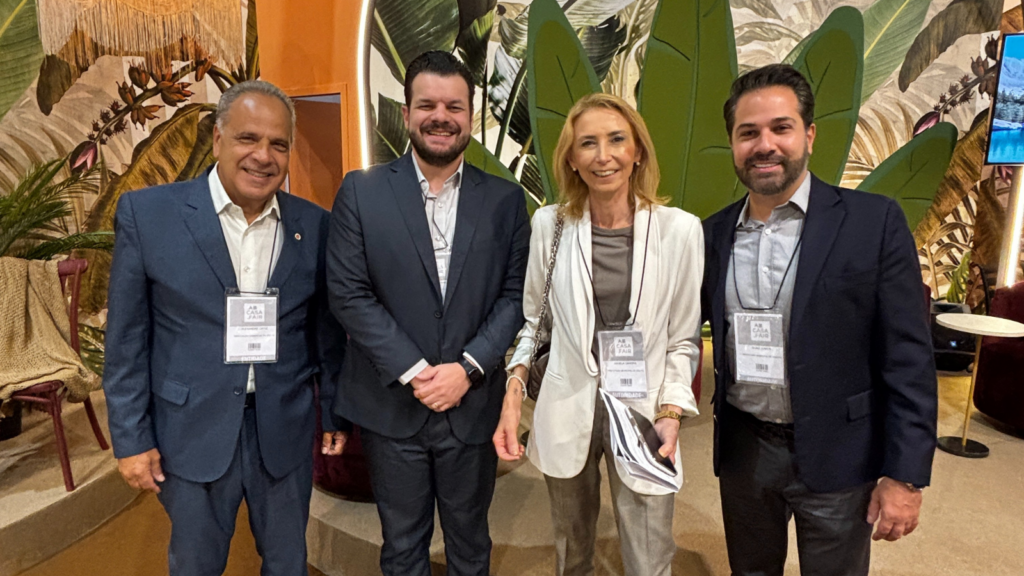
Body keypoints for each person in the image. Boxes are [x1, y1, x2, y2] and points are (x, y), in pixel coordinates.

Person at [700, 64, 937, 576]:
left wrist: (905, 475)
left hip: (840, 454)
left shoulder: (873, 222)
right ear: (733, 144)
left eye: (780, 128)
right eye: (748, 132)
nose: (765, 145)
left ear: (808, 135)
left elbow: (909, 361)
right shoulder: (711, 235)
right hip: (745, 451)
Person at [104, 80, 347, 576]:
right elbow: (126, 342)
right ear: (218, 139)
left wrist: (334, 412)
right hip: (191, 427)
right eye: (248, 138)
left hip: (283, 427)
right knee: (196, 564)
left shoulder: (315, 225)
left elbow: (323, 331)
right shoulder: (149, 215)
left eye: (278, 144)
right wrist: (131, 439)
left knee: (288, 562)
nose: (263, 156)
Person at [326, 51, 530, 576]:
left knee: (471, 542)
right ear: (407, 112)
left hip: (471, 402)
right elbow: (348, 293)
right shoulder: (361, 191)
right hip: (392, 404)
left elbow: (515, 296)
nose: (441, 117)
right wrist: (418, 372)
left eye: (454, 107)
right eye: (427, 105)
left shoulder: (505, 201)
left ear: (469, 115)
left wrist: (466, 369)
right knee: (401, 545)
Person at [493, 93, 704, 576]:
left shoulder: (680, 231)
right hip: (567, 404)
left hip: (644, 408)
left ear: (638, 151)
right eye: (587, 143)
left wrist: (671, 412)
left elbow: (683, 338)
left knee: (649, 554)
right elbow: (535, 323)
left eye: (616, 140)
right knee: (572, 551)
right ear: (571, 157)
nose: (603, 155)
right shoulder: (550, 224)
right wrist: (512, 393)